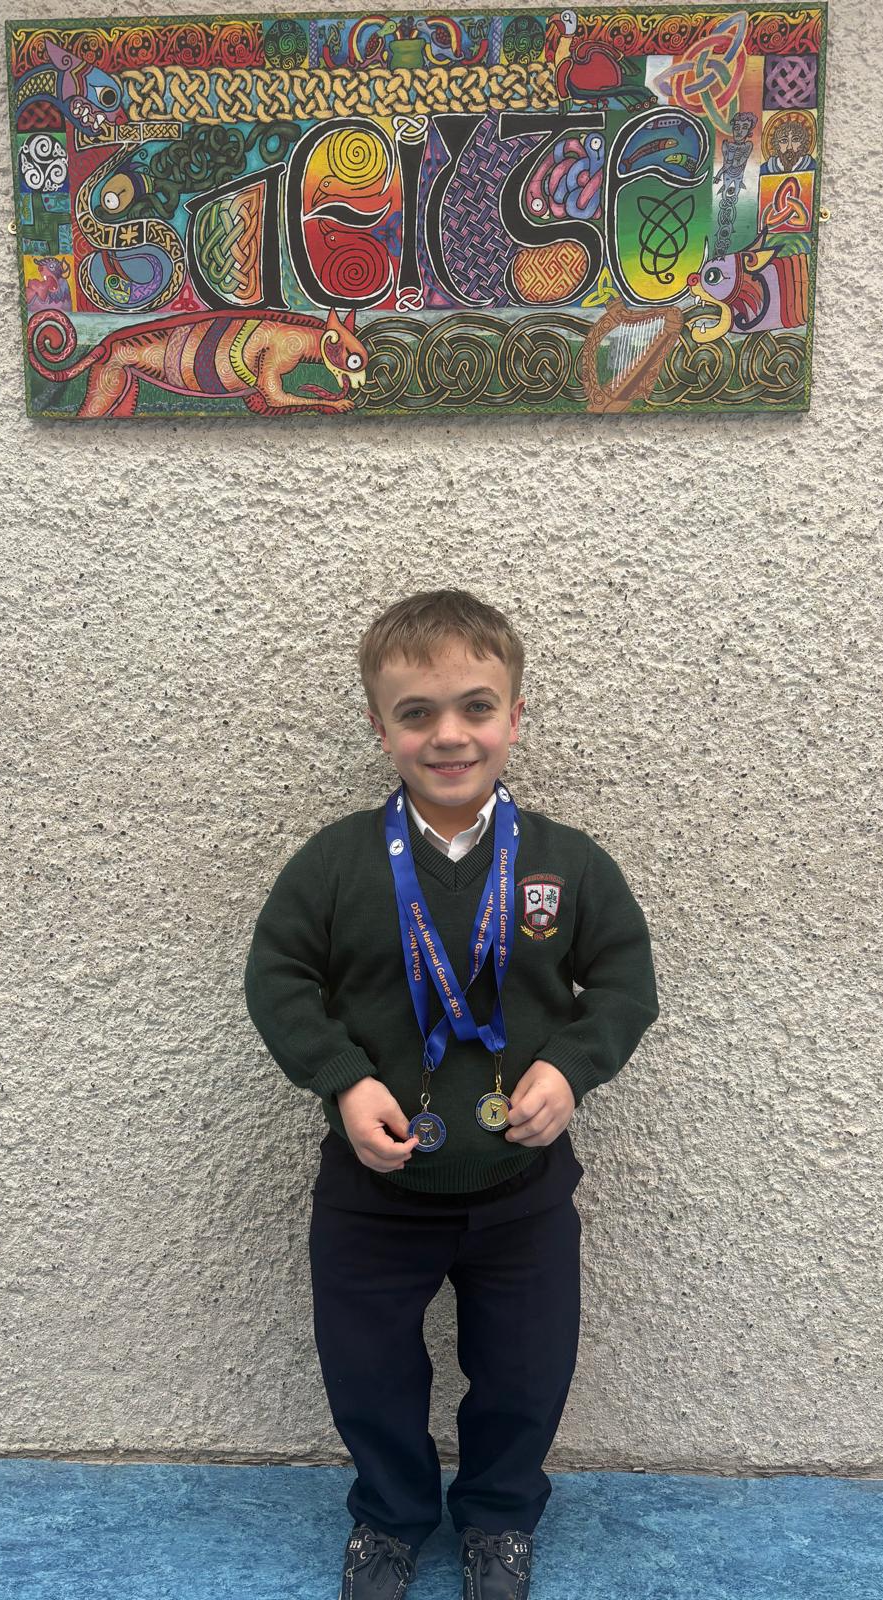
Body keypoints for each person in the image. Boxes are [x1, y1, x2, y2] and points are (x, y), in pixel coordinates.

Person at [244, 589, 658, 1599]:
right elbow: (278, 978)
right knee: (368, 1371)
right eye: (417, 712)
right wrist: (343, 1080)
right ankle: (389, 1518)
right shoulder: (336, 863)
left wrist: (571, 1065)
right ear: (378, 725)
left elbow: (624, 982)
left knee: (525, 1371)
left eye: (476, 707)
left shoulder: (566, 863)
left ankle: (501, 1517)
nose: (449, 734)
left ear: (515, 715)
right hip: (373, 1186)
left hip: (522, 1186)